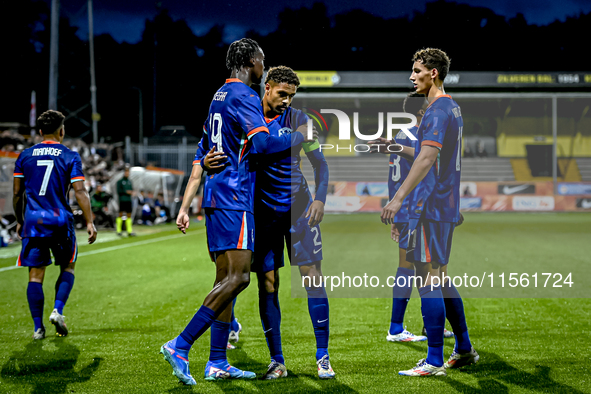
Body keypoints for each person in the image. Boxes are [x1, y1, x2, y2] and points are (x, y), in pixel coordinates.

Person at [162, 38, 315, 385]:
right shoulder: (245, 96)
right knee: (240, 278)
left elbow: (203, 150)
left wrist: (204, 169)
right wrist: (299, 136)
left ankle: (217, 361)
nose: (264, 66)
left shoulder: (218, 95)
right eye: (262, 60)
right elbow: (261, 143)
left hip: (216, 197)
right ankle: (181, 345)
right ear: (251, 61)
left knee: (224, 281)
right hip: (235, 196)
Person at [379, 48, 478, 377]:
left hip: (429, 206)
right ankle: (463, 347)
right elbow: (431, 154)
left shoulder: (436, 110)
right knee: (440, 276)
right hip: (445, 206)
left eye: (417, 70)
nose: (412, 76)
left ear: (433, 72)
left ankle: (434, 360)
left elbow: (427, 158)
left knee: (427, 279)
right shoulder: (454, 108)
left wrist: (398, 199)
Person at [249, 66, 332, 379]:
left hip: (300, 209)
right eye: (282, 94)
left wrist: (320, 199)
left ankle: (322, 356)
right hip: (264, 214)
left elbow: (320, 165)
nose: (287, 101)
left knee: (312, 277)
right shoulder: (250, 118)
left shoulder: (299, 118)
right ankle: (277, 360)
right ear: (267, 87)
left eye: (292, 96)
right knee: (268, 283)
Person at [13, 110, 97, 339]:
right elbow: (80, 191)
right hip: (60, 221)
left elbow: (18, 195)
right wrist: (89, 221)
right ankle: (57, 311)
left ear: (40, 131)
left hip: (33, 221)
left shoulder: (24, 156)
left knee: (35, 275)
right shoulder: (70, 156)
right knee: (68, 266)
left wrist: (20, 220)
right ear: (62, 131)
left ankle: (38, 328)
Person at [116, 167, 135, 236]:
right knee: (120, 214)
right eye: (126, 172)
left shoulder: (130, 181)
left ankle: (129, 231)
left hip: (128, 200)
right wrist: (127, 192)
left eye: (128, 172)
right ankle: (118, 230)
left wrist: (132, 192)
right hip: (122, 200)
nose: (127, 173)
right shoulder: (120, 182)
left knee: (129, 215)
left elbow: (131, 190)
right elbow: (118, 191)